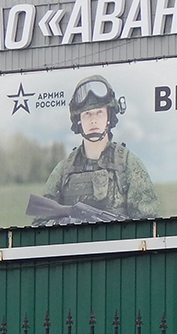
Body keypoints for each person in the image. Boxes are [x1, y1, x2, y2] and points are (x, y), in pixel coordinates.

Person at [32, 75, 161, 223]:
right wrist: (62, 224)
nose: (93, 120)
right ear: (78, 120)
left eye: (99, 112)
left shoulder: (127, 164)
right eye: (87, 114)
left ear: (109, 116)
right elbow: (39, 225)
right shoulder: (64, 170)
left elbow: (150, 223)